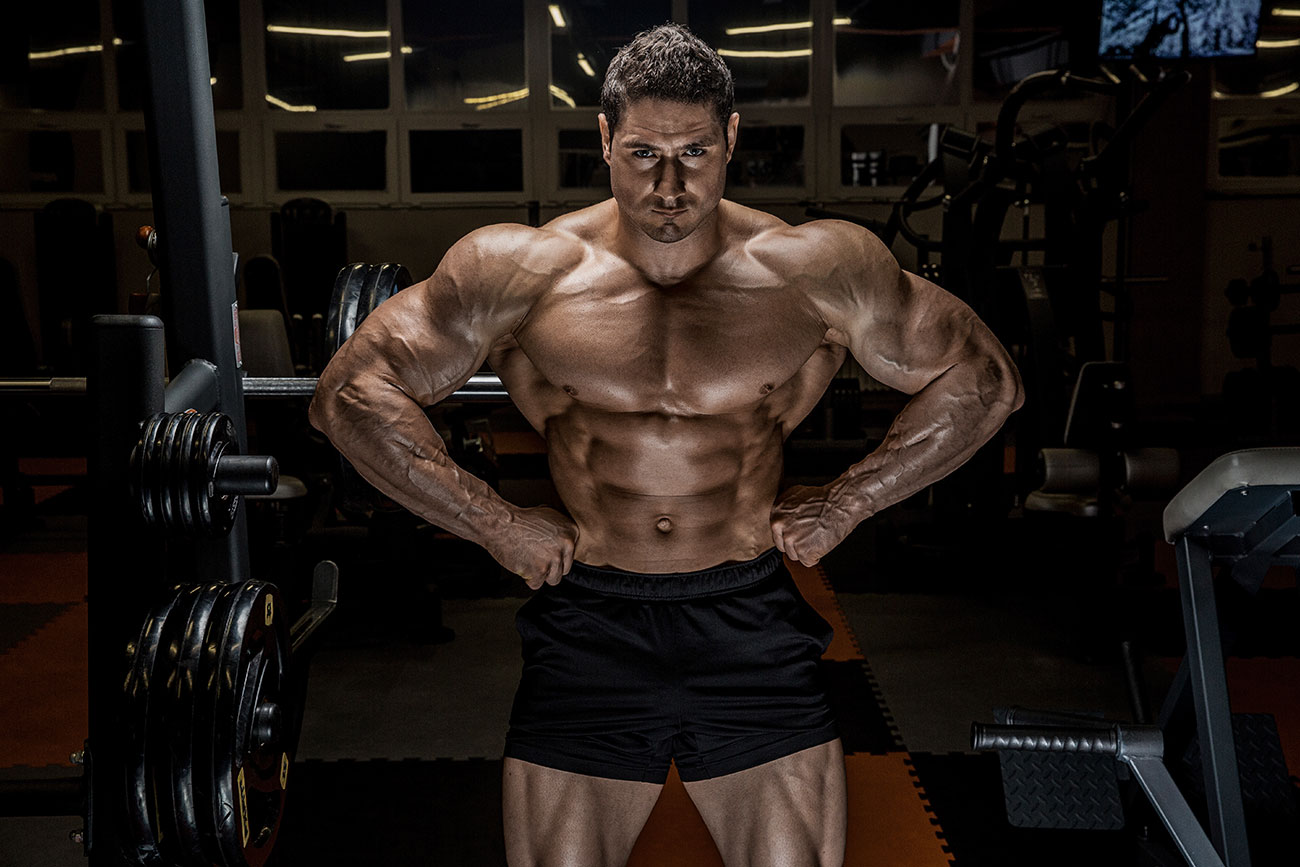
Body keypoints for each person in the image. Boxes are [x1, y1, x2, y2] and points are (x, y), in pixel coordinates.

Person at [310, 23, 1023, 867]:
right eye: (644, 152)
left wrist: (852, 498)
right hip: (588, 624)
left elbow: (985, 379)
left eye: (695, 150)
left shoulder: (814, 267)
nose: (672, 183)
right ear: (605, 139)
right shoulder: (521, 269)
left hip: (751, 623)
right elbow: (348, 395)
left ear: (731, 139)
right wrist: (492, 521)